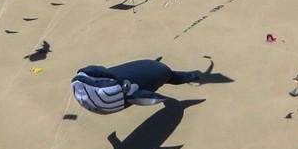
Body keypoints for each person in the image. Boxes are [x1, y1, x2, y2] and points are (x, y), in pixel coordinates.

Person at [70, 59, 202, 114]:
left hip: (156, 72)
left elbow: (142, 96)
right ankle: (190, 76)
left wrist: (160, 98)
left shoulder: (115, 92)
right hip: (139, 78)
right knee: (169, 75)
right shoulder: (114, 90)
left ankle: (191, 76)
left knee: (171, 76)